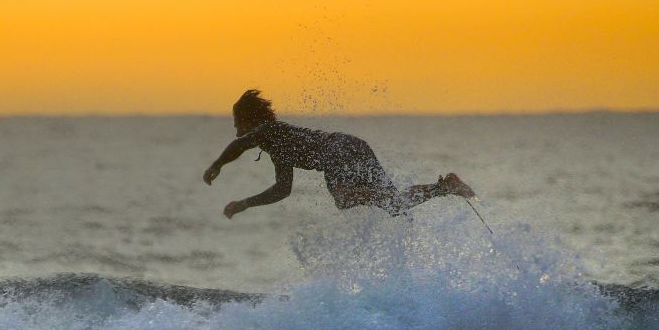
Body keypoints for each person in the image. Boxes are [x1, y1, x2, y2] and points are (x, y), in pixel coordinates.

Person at [203, 89, 476, 219]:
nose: (237, 131)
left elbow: (239, 144)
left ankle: (377, 195)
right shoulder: (278, 146)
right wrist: (246, 203)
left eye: (237, 124)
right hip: (354, 145)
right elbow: (283, 189)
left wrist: (217, 164)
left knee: (344, 199)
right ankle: (445, 187)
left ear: (251, 121)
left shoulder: (268, 130)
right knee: (394, 205)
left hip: (337, 150)